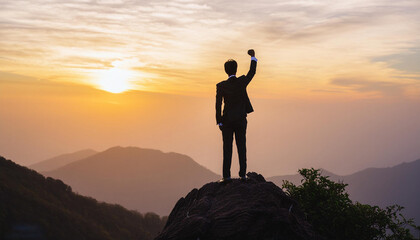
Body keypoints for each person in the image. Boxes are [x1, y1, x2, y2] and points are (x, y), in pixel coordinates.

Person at [216, 49, 258, 182]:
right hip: (240, 119)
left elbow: (218, 105)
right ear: (236, 69)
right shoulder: (241, 82)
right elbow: (252, 72)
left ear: (225, 71)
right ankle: (243, 175)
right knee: (241, 146)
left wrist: (219, 122)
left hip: (227, 121)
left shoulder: (221, 86)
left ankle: (226, 176)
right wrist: (253, 57)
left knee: (227, 148)